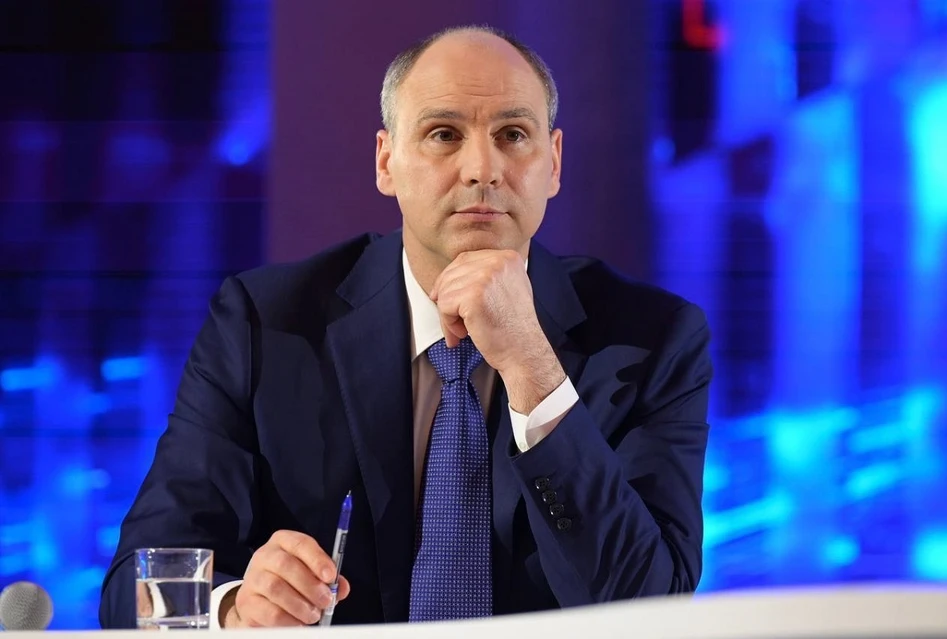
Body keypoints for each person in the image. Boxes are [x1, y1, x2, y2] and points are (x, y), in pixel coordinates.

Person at [99, 24, 713, 629]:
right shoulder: (265, 324)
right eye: (444, 134)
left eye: (513, 135)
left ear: (552, 164)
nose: (482, 168)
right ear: (386, 161)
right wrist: (235, 608)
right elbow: (137, 584)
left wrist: (532, 367)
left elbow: (654, 608)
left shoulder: (656, 340)